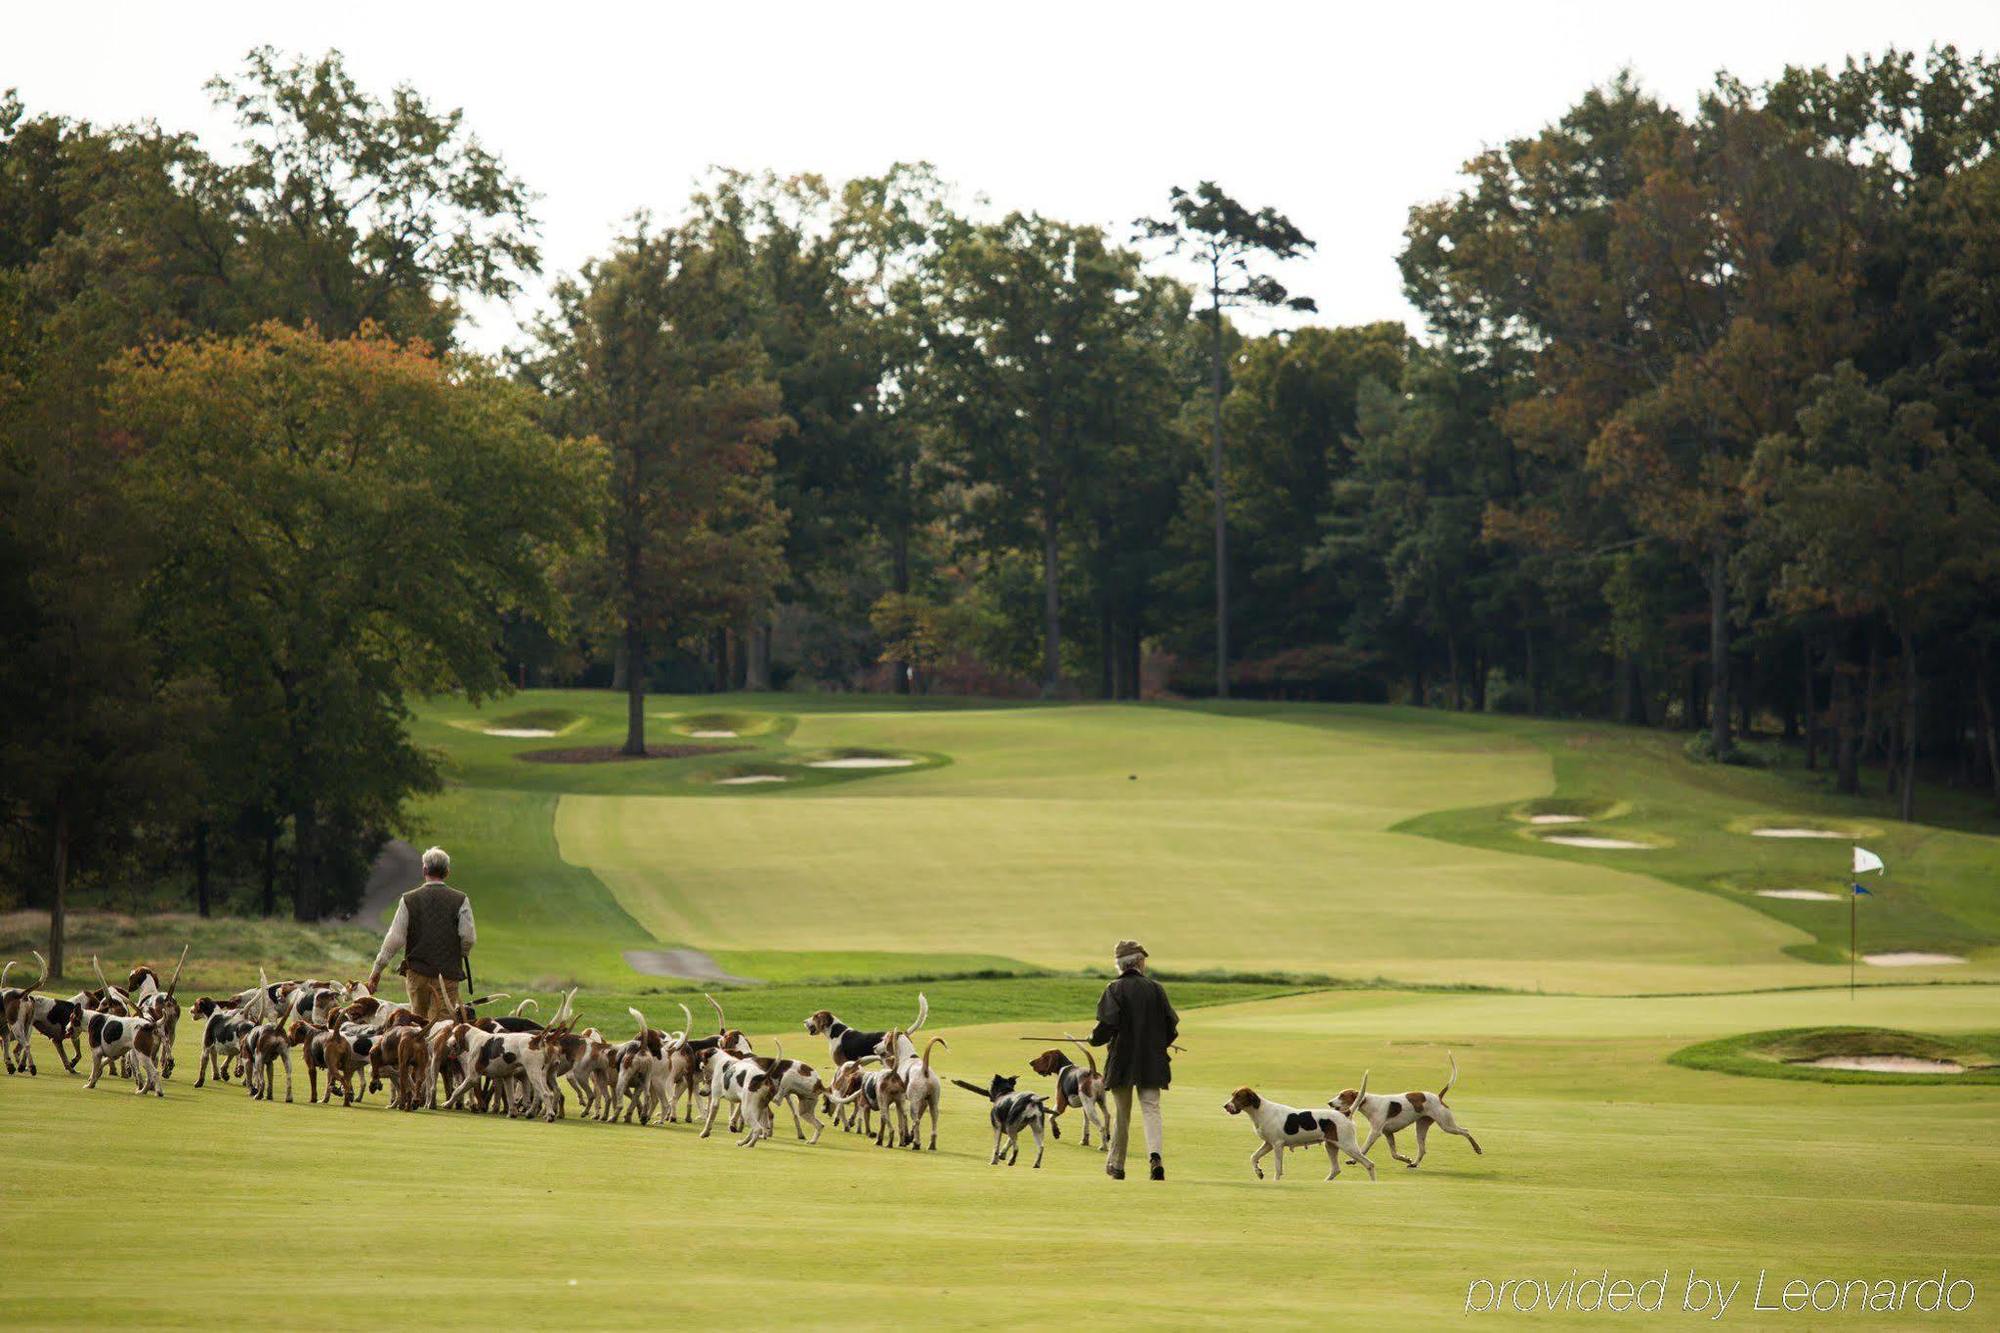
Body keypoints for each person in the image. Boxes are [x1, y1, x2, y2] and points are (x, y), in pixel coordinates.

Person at [1089, 938, 1178, 1181]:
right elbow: (1171, 1027)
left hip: (1122, 1062)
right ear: (1138, 962)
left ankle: (1117, 1165)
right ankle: (1155, 1157)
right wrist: (1157, 1045)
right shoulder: (1156, 989)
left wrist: (1093, 1039)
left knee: (1122, 1114)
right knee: (1151, 1109)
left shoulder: (1114, 989)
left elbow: (1106, 1026)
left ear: (1121, 965)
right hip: (1152, 1061)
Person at [365, 845, 475, 1022]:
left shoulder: (408, 899)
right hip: (447, 975)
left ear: (424, 869)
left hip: (417, 974)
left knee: (418, 1024)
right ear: (447, 872)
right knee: (443, 1029)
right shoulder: (461, 900)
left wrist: (377, 970)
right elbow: (468, 937)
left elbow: (394, 939)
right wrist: (458, 954)